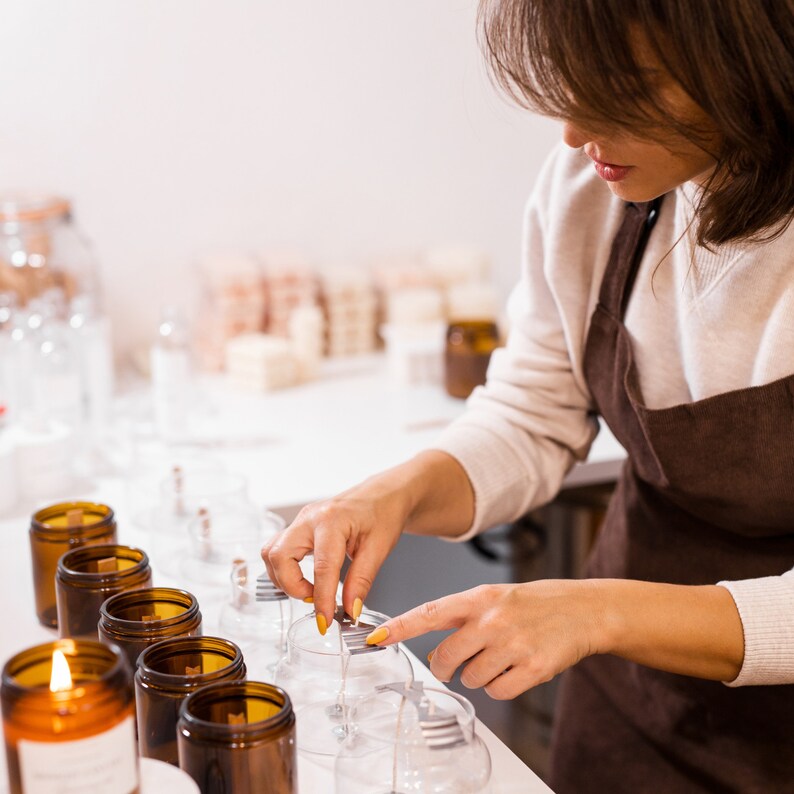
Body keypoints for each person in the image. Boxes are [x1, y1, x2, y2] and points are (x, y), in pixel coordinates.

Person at [263, 0, 794, 790]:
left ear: (747, 48)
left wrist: (598, 612)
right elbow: (533, 411)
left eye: (622, 88)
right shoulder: (592, 186)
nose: (576, 133)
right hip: (631, 708)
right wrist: (398, 494)